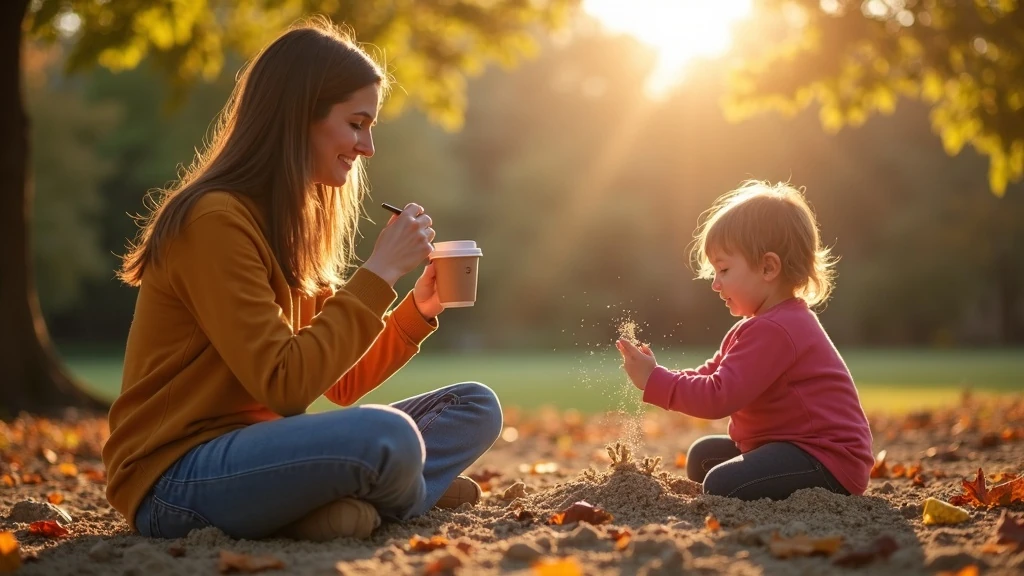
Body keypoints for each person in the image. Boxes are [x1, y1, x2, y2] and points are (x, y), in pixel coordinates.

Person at [101, 17, 502, 542]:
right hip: (176, 479)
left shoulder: (286, 224)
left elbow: (336, 382)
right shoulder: (214, 221)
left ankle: (368, 496)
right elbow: (286, 385)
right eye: (357, 123)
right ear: (298, 119)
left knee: (474, 405)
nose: (368, 147)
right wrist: (379, 272)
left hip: (265, 455)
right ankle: (401, 489)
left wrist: (415, 312)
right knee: (390, 438)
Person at [616, 180, 873, 500]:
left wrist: (656, 382)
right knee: (702, 456)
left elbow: (718, 396)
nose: (715, 284)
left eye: (723, 270)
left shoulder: (777, 330)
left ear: (768, 267)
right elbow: (711, 374)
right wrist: (658, 374)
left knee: (721, 484)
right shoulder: (758, 325)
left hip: (825, 459)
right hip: (786, 446)